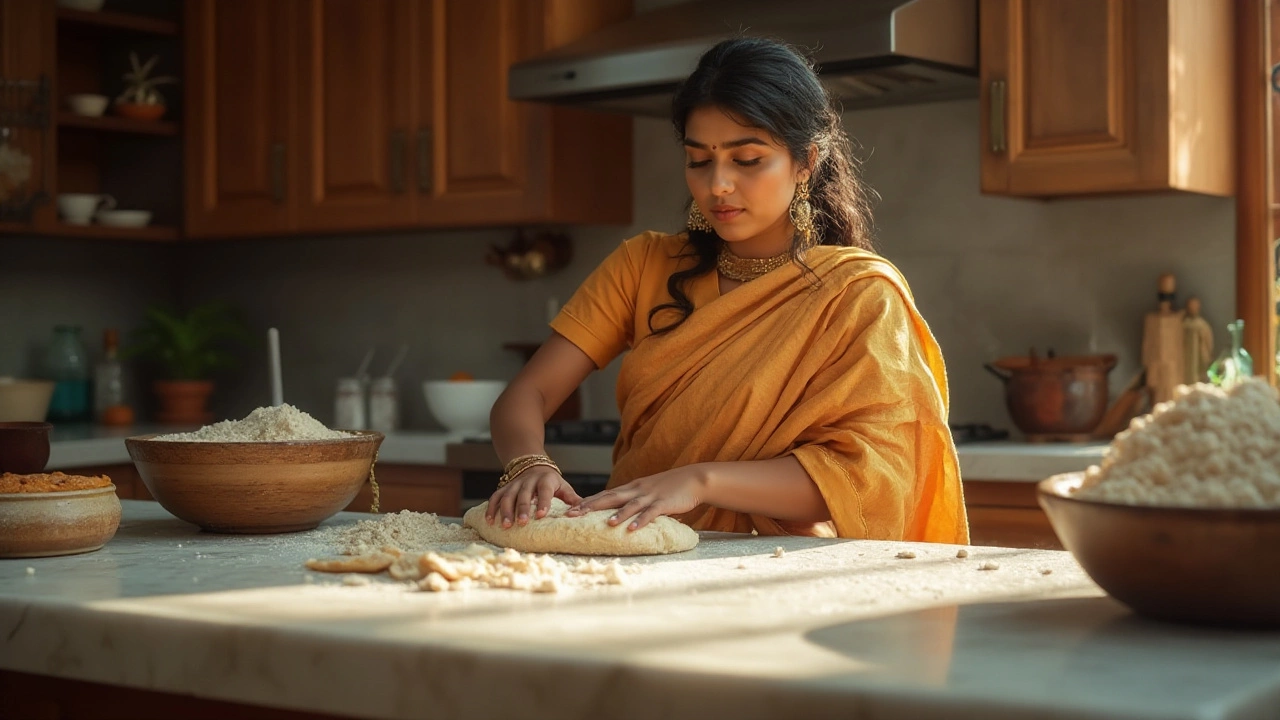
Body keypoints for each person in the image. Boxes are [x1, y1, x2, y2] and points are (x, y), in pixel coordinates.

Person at [483, 36, 967, 544]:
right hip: (633, 558)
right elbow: (527, 394)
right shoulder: (642, 264)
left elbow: (864, 479)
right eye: (699, 160)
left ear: (805, 162)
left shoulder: (857, 296)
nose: (718, 185)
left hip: (770, 570)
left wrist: (701, 481)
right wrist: (527, 464)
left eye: (748, 159)